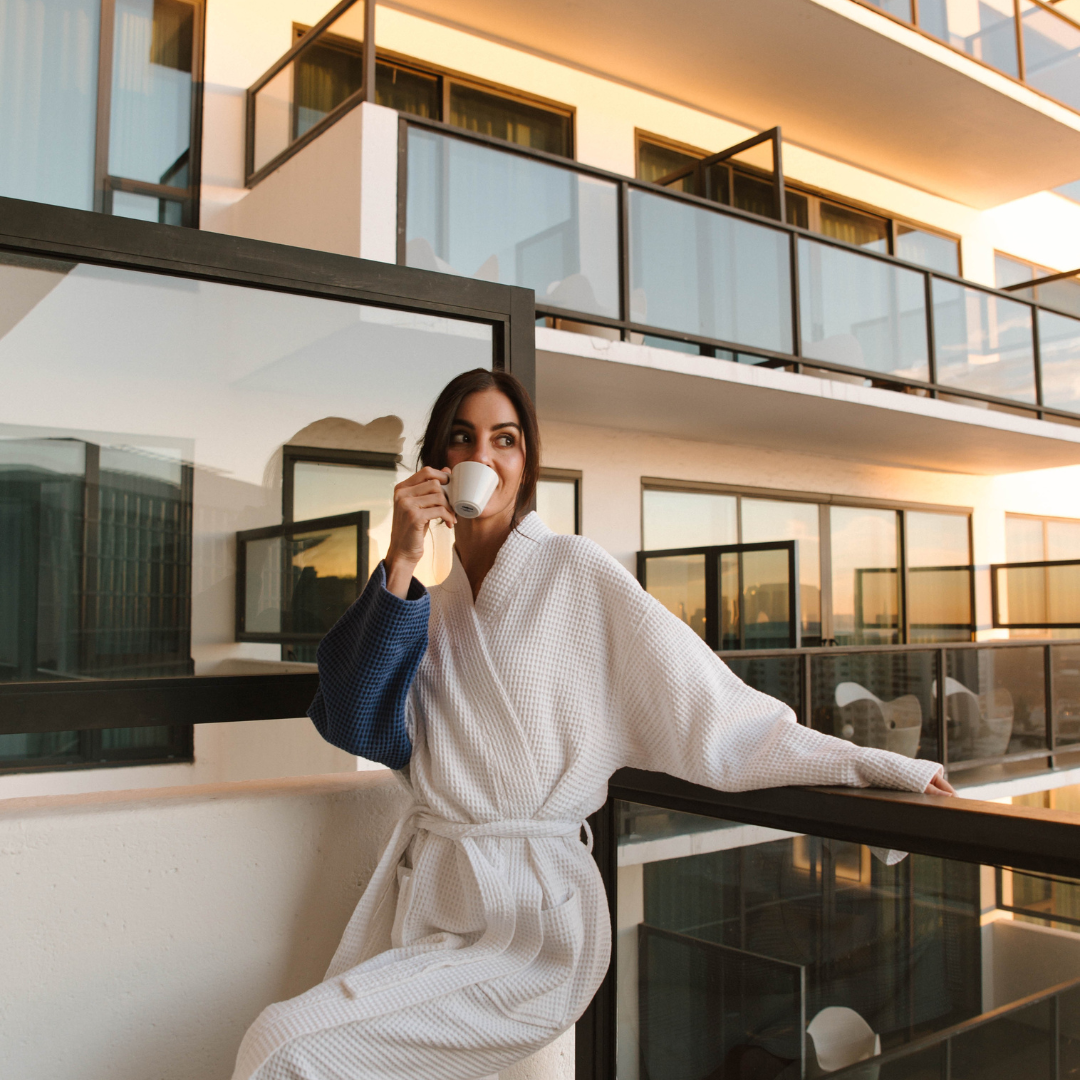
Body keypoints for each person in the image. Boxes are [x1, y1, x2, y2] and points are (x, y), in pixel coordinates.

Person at [232, 368, 954, 1080]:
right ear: (438, 466)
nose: (482, 456)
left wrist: (883, 765)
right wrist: (400, 557)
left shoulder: (576, 572)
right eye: (462, 438)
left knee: (283, 1045)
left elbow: (713, 710)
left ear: (526, 464)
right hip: (439, 907)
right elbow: (358, 723)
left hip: (535, 927)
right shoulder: (430, 605)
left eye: (505, 440)